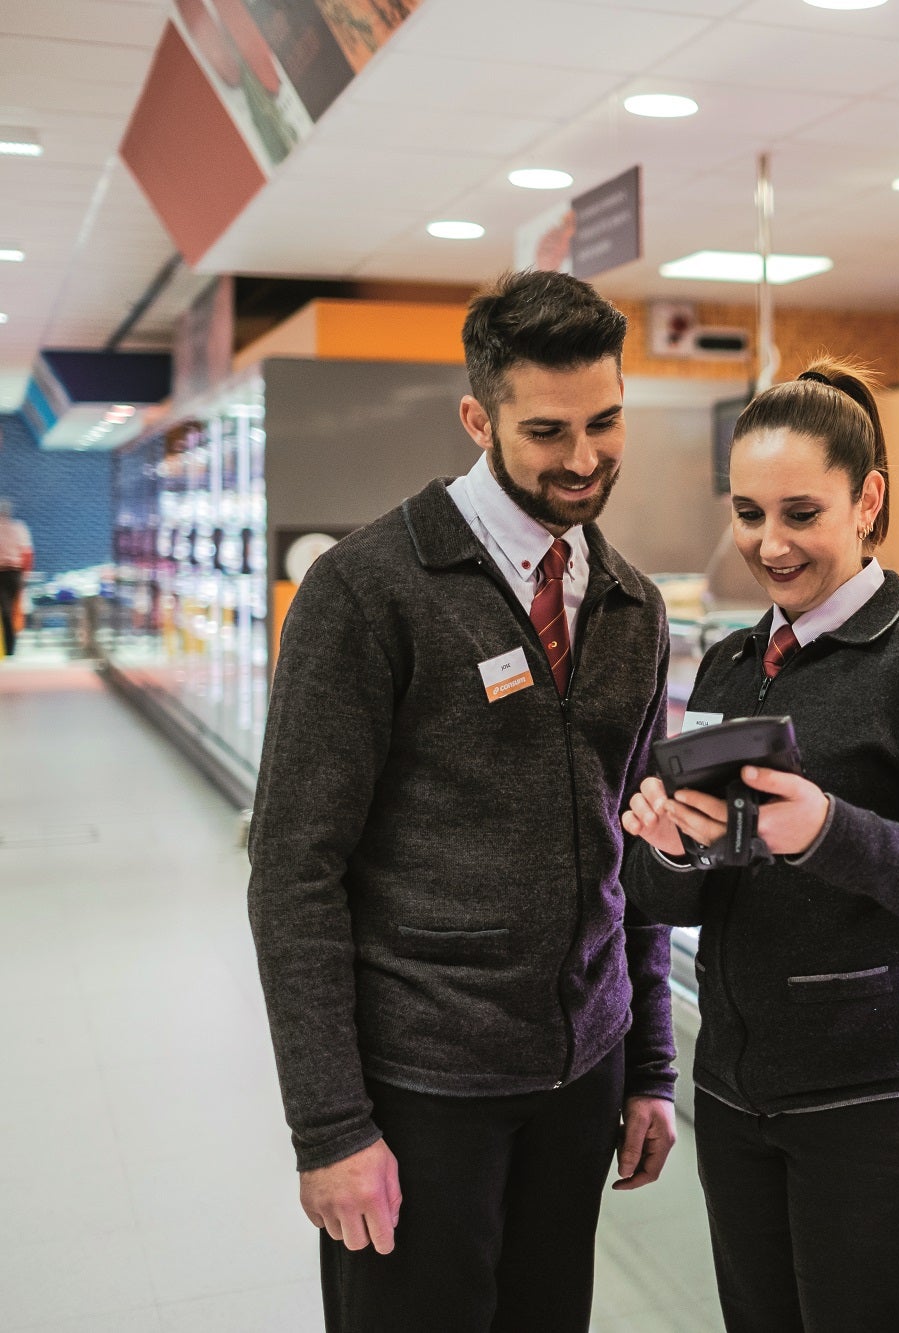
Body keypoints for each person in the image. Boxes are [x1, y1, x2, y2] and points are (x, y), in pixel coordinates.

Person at [247, 270, 679, 1333]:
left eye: (605, 422)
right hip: (419, 1084)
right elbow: (293, 871)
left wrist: (649, 1064)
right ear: (478, 418)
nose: (583, 459)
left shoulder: (630, 603)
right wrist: (330, 1126)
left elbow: (640, 842)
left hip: (580, 1073)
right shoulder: (367, 589)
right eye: (546, 431)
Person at [623, 359, 899, 1333]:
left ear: (867, 501)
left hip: (892, 1099)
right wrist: (668, 849)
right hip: (741, 1086)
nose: (770, 544)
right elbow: (681, 896)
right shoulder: (728, 660)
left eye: (800, 512)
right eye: (749, 513)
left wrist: (830, 831)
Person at [0, 499, 32, 657]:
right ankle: (10, 647)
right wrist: (24, 575)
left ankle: (6, 647)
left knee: (5, 611)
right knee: (12, 610)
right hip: (14, 573)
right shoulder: (19, 528)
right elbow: (27, 554)